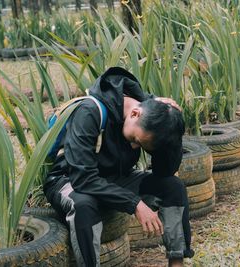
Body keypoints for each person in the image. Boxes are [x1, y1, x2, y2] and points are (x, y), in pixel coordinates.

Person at [43, 67, 193, 267]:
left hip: (114, 178)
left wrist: (174, 129)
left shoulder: (150, 115)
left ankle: (176, 263)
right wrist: (135, 204)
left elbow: (163, 172)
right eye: (135, 140)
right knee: (84, 205)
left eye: (140, 145)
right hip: (70, 180)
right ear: (134, 113)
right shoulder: (89, 112)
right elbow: (83, 179)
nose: (134, 147)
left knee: (172, 186)